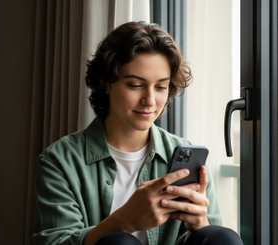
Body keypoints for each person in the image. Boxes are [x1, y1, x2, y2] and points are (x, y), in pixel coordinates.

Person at [32, 22, 242, 245]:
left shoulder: (186, 157)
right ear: (105, 83)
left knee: (223, 238)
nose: (150, 101)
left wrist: (200, 226)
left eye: (160, 87)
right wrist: (124, 220)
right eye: (135, 85)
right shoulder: (60, 161)